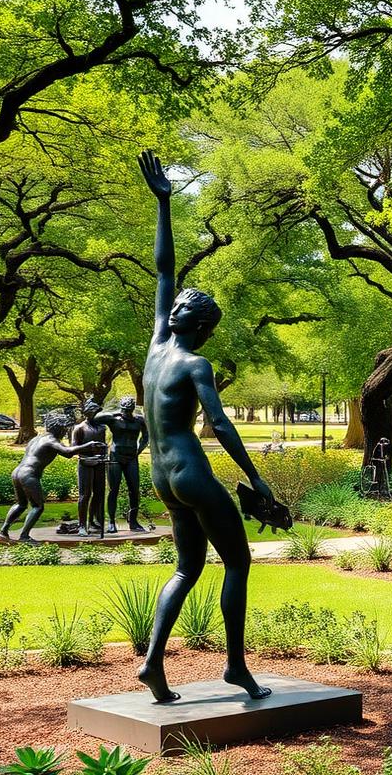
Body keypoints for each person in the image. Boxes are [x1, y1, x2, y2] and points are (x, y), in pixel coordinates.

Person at [135, 150, 275, 703]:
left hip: (160, 478)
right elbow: (218, 424)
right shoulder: (195, 364)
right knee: (237, 561)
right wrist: (255, 477)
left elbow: (166, 270)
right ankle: (236, 668)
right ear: (206, 328)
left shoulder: (155, 348)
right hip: (191, 472)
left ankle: (152, 665)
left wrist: (165, 205)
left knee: (187, 567)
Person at [0, 414, 106, 543]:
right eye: (64, 429)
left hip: (17, 472)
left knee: (21, 504)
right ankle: (24, 535)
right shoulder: (52, 440)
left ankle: (3, 531)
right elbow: (67, 453)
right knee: (38, 506)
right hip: (29, 474)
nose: (65, 431)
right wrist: (87, 446)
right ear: (59, 429)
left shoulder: (37, 439)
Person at [95, 396, 150, 533]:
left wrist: (139, 450)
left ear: (132, 409)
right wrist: (116, 413)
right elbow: (96, 418)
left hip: (131, 457)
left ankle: (133, 521)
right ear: (122, 408)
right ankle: (111, 522)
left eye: (129, 410)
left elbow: (146, 436)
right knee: (114, 490)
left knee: (134, 490)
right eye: (124, 410)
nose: (126, 412)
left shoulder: (139, 420)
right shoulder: (113, 419)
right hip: (116, 456)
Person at [72, 398, 107, 536]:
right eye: (93, 412)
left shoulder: (102, 427)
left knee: (98, 494)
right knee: (85, 495)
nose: (95, 414)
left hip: (99, 463)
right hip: (85, 463)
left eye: (96, 412)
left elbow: (104, 444)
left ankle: (92, 521)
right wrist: (88, 446)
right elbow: (73, 448)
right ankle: (82, 525)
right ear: (87, 413)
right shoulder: (80, 428)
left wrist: (103, 448)